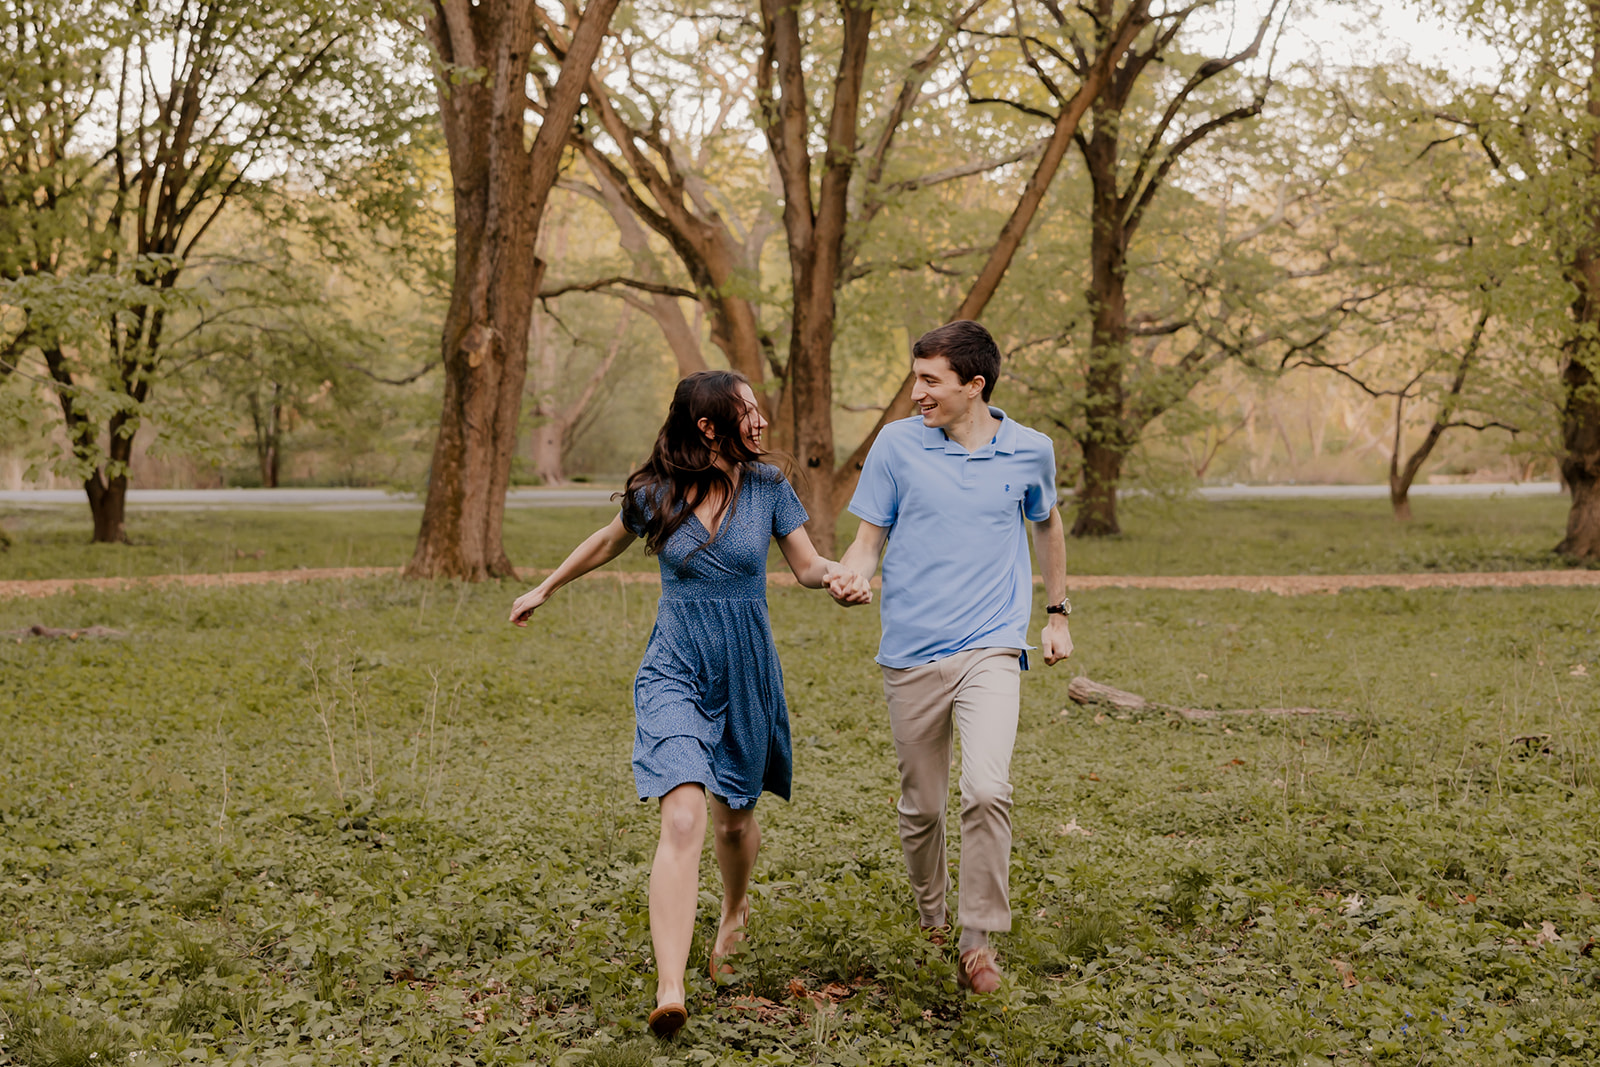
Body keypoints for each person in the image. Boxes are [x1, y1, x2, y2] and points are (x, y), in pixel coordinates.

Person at [509, 370, 868, 1038]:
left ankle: (734, 908)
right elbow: (607, 539)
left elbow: (808, 564)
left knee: (733, 822)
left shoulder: (768, 489)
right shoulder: (657, 492)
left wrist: (839, 578)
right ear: (708, 426)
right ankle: (670, 986)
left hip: (745, 669)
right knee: (681, 817)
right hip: (674, 667)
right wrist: (546, 586)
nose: (760, 421)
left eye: (758, 410)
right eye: (748, 412)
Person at [826, 319, 1071, 994]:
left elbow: (1046, 524)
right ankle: (933, 913)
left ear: (974, 385)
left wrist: (1056, 613)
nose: (917, 393)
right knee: (922, 808)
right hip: (909, 650)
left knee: (988, 789)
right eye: (917, 377)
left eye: (930, 380)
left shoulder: (1030, 451)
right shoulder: (898, 446)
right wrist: (853, 572)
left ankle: (978, 940)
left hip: (991, 645)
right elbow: (868, 538)